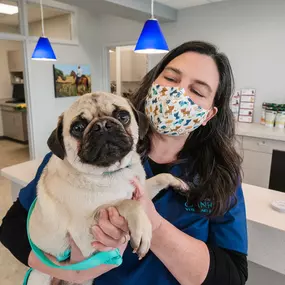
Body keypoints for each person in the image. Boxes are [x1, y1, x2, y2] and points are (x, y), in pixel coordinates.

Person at [0, 41, 248, 285]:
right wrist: (68, 273)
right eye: (171, 79)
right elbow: (12, 227)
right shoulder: (75, 162)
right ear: (153, 84)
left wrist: (152, 223)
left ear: (209, 115)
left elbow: (233, 275)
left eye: (197, 91)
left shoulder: (220, 173)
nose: (178, 94)